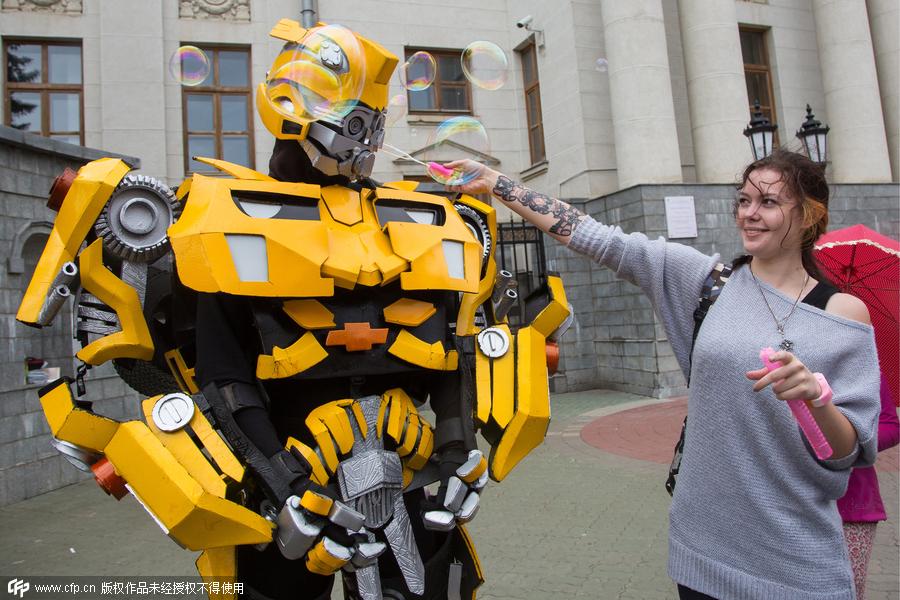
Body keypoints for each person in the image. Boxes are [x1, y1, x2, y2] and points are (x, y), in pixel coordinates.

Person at [443, 149, 881, 600]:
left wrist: (816, 399)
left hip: (797, 557)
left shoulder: (842, 314)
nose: (749, 213)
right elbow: (592, 235)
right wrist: (496, 181)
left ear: (810, 215)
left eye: (768, 202)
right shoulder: (707, 283)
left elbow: (847, 452)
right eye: (744, 200)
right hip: (703, 548)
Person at [838, 373, 900, 599]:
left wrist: (849, 445)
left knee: (848, 589)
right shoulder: (769, 369)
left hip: (851, 509)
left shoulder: (862, 368)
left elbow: (890, 426)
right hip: (786, 507)